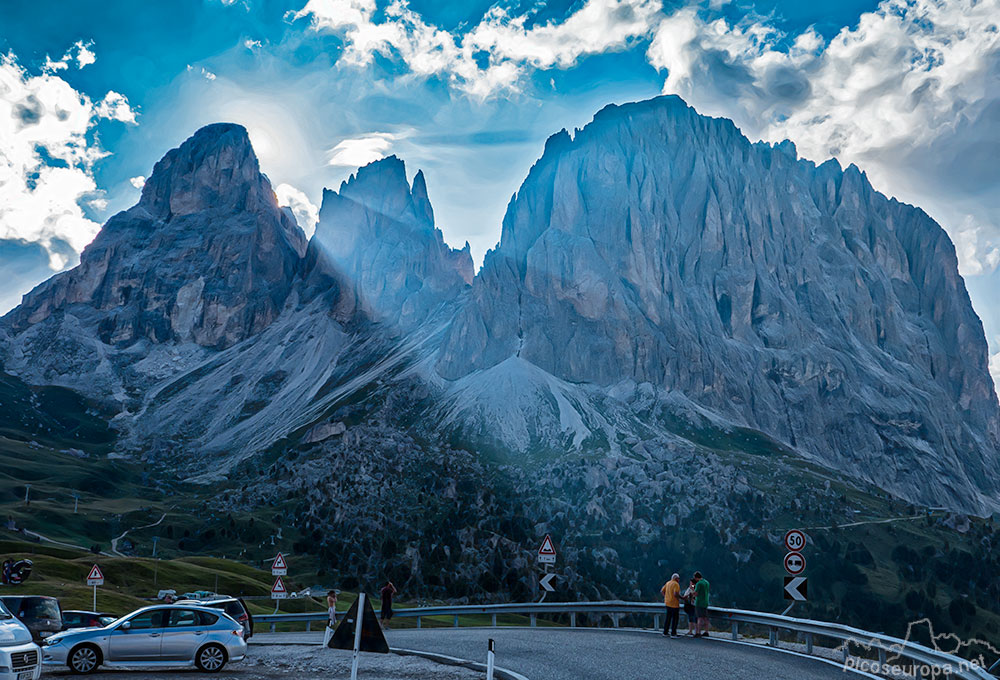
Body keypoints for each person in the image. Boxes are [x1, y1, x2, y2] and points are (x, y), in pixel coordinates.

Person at [660, 573, 681, 638]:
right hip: (674, 604)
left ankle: (665, 632)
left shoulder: (668, 583)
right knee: (675, 619)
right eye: (678, 578)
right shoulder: (676, 584)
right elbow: (675, 594)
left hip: (667, 603)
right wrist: (681, 597)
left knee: (668, 618)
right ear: (676, 578)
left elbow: (662, 591)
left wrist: (666, 597)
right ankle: (673, 633)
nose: (679, 580)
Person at [693, 571, 710, 637]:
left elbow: (696, 593)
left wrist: (692, 592)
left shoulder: (699, 584)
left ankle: (698, 632)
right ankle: (706, 631)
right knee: (705, 618)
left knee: (699, 618)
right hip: (705, 602)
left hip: (699, 602)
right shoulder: (706, 582)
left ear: (696, 577)